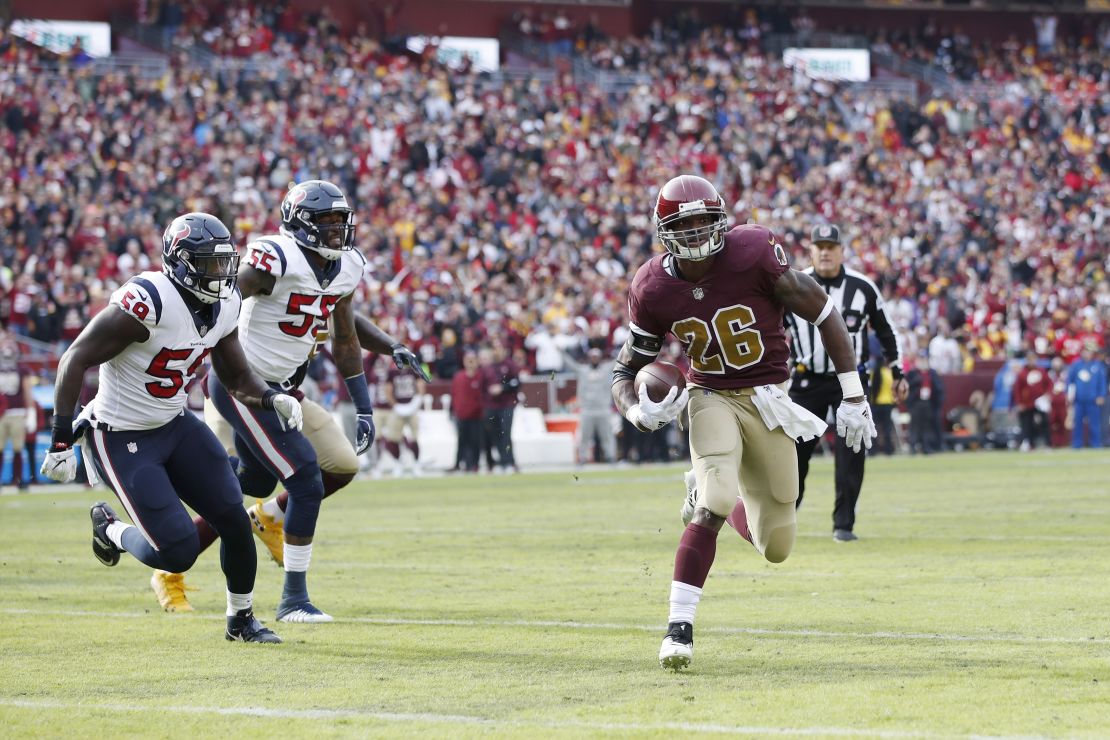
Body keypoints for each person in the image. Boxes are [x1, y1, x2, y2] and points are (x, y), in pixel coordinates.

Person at [610, 175, 876, 671]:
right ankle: (678, 630)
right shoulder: (651, 286)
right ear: (663, 230)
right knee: (712, 500)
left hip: (769, 398)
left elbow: (824, 311)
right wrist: (636, 409)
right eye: (681, 225)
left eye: (701, 222)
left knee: (776, 545)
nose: (692, 234)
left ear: (721, 220)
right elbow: (626, 369)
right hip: (708, 393)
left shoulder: (753, 252)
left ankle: (718, 497)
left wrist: (854, 394)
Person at [155, 181, 426, 620]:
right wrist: (188, 351)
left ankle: (262, 514)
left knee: (327, 468)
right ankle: (292, 599)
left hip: (284, 391)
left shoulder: (344, 267)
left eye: (342, 221)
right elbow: (221, 297)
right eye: (328, 222)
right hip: (243, 385)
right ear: (302, 224)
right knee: (304, 477)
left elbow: (344, 334)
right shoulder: (274, 258)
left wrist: (363, 404)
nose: (339, 231)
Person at [40, 212, 301, 643]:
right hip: (120, 433)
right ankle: (110, 529)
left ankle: (241, 620)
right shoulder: (149, 300)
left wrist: (272, 397)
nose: (220, 274)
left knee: (233, 518)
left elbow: (236, 376)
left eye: (224, 262)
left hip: (174, 423)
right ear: (180, 263)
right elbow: (75, 358)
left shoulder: (225, 305)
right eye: (209, 264)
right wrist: (60, 438)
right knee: (178, 552)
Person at [784, 224, 905, 542]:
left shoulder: (862, 287)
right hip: (805, 380)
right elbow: (771, 328)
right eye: (819, 246)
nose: (825, 252)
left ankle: (844, 525)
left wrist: (898, 370)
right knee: (793, 454)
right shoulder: (793, 284)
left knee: (851, 451)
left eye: (831, 246)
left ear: (842, 251)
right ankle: (782, 522)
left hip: (849, 383)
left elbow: (886, 330)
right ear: (810, 250)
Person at [564, 347, 617, 464]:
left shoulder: (605, 369)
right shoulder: (583, 370)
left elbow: (618, 360)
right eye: (592, 357)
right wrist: (561, 351)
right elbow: (571, 364)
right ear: (589, 358)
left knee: (607, 436)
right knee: (584, 436)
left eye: (596, 357)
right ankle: (582, 458)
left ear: (600, 358)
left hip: (603, 409)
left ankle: (610, 456)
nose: (594, 359)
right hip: (587, 410)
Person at [381, 359, 428, 475]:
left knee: (414, 438)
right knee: (393, 438)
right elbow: (388, 390)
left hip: (412, 407)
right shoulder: (392, 372)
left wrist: (416, 402)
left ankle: (416, 464)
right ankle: (398, 463)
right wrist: (395, 405)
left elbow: (421, 386)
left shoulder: (414, 371)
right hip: (398, 409)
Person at [480, 342, 521, 473]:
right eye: (494, 349)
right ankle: (502, 461)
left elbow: (517, 382)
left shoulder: (510, 365)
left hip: (507, 404)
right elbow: (482, 387)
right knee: (495, 434)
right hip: (492, 405)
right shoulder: (488, 368)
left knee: (505, 432)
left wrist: (502, 388)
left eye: (499, 349)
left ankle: (510, 462)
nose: (496, 352)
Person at [0, 341, 35, 491]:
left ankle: (17, 479)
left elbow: (27, 392)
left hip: (17, 413)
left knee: (17, 448)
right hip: (1, 414)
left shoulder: (22, 370)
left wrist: (31, 412)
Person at [1066, 342, 1107, 448]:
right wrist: (1069, 394)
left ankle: (1096, 444)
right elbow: (1070, 381)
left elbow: (1102, 382)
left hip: (1093, 400)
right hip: (1079, 399)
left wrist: (1101, 395)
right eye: (1085, 351)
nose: (1087, 353)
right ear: (1082, 352)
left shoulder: (1097, 365)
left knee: (1095, 423)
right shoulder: (1076, 365)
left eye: (1089, 351)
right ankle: (1077, 444)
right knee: (1077, 423)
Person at [450, 351, 484, 472]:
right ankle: (459, 463)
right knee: (461, 441)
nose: (470, 363)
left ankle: (474, 464)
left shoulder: (481, 376)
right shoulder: (458, 376)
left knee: (475, 441)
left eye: (472, 360)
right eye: (468, 360)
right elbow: (454, 394)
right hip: (461, 414)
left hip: (476, 415)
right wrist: (453, 410)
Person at [1012, 351, 1051, 451]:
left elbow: (1049, 384)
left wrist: (1047, 395)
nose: (1032, 362)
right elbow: (1017, 389)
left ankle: (1047, 444)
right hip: (1027, 403)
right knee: (1027, 424)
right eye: (1030, 359)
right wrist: (1019, 403)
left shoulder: (1041, 371)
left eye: (1034, 359)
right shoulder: (1022, 373)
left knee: (1045, 422)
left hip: (1040, 402)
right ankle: (1028, 443)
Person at [905, 353, 944, 453]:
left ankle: (926, 446)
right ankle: (913, 446)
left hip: (928, 402)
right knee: (915, 425)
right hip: (916, 402)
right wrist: (916, 382)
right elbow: (907, 386)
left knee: (927, 426)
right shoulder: (913, 373)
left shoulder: (932, 373)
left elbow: (938, 387)